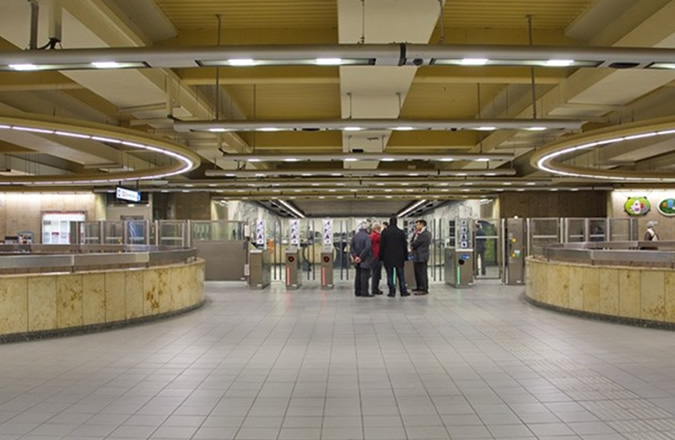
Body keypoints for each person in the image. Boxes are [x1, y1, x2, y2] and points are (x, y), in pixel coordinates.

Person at [379, 217, 409, 297]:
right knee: (401, 275)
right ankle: (403, 291)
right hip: (399, 257)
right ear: (396, 222)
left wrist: (380, 257)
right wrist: (406, 256)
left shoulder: (385, 232)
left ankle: (392, 292)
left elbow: (382, 245)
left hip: (387, 257)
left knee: (389, 274)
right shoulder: (401, 232)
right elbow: (404, 246)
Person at [351, 221, 374, 297]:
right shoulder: (367, 237)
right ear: (366, 228)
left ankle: (357, 291)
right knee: (365, 276)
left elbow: (352, 247)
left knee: (358, 275)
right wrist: (361, 257)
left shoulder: (355, 236)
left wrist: (355, 257)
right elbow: (367, 248)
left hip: (357, 259)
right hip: (365, 259)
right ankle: (364, 292)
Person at [410, 219, 431, 295]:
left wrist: (413, 243)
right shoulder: (418, 233)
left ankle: (424, 289)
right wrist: (415, 235)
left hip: (422, 256)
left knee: (422, 273)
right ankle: (418, 286)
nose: (416, 226)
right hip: (416, 256)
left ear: (422, 225)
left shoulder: (425, 234)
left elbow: (415, 244)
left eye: (418, 225)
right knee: (417, 272)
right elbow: (412, 241)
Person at [370, 223, 384, 295]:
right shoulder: (375, 236)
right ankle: (375, 289)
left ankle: (375, 288)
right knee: (376, 274)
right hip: (376, 256)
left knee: (376, 274)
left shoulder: (373, 235)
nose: (380, 230)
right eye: (379, 229)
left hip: (375, 256)